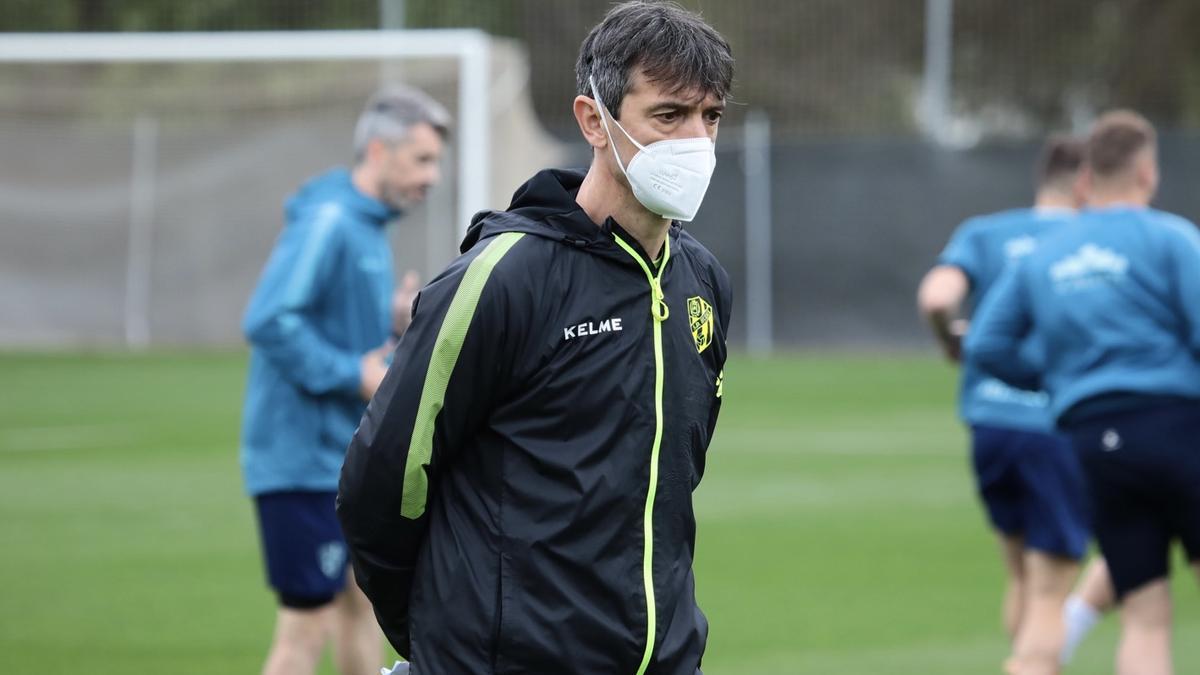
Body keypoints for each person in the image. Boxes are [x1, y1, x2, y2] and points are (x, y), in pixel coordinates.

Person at [336, 2, 733, 673]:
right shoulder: (504, 276)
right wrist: (447, 639)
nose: (695, 140)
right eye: (669, 115)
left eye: (711, 117)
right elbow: (382, 480)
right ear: (594, 121)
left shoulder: (701, 282)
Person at [966, 110, 1200, 675]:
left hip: (1092, 438)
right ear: (1147, 174)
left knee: (1145, 616)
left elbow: (986, 344)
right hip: (1178, 429)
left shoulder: (1045, 257)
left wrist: (1056, 382)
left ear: (1085, 181)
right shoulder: (1173, 238)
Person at [240, 84, 449, 675]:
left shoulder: (365, 226)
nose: (431, 177)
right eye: (422, 159)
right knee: (305, 628)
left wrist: (389, 319)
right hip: (300, 462)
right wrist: (351, 372)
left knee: (364, 606)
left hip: (341, 459)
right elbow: (270, 319)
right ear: (380, 153)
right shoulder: (330, 221)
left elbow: (331, 322)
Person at [917, 135, 1089, 675]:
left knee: (1020, 577)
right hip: (1056, 426)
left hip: (991, 424)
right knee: (1051, 591)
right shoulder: (1093, 239)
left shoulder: (986, 232)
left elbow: (938, 297)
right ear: (1088, 182)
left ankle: (1024, 659)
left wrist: (951, 342)